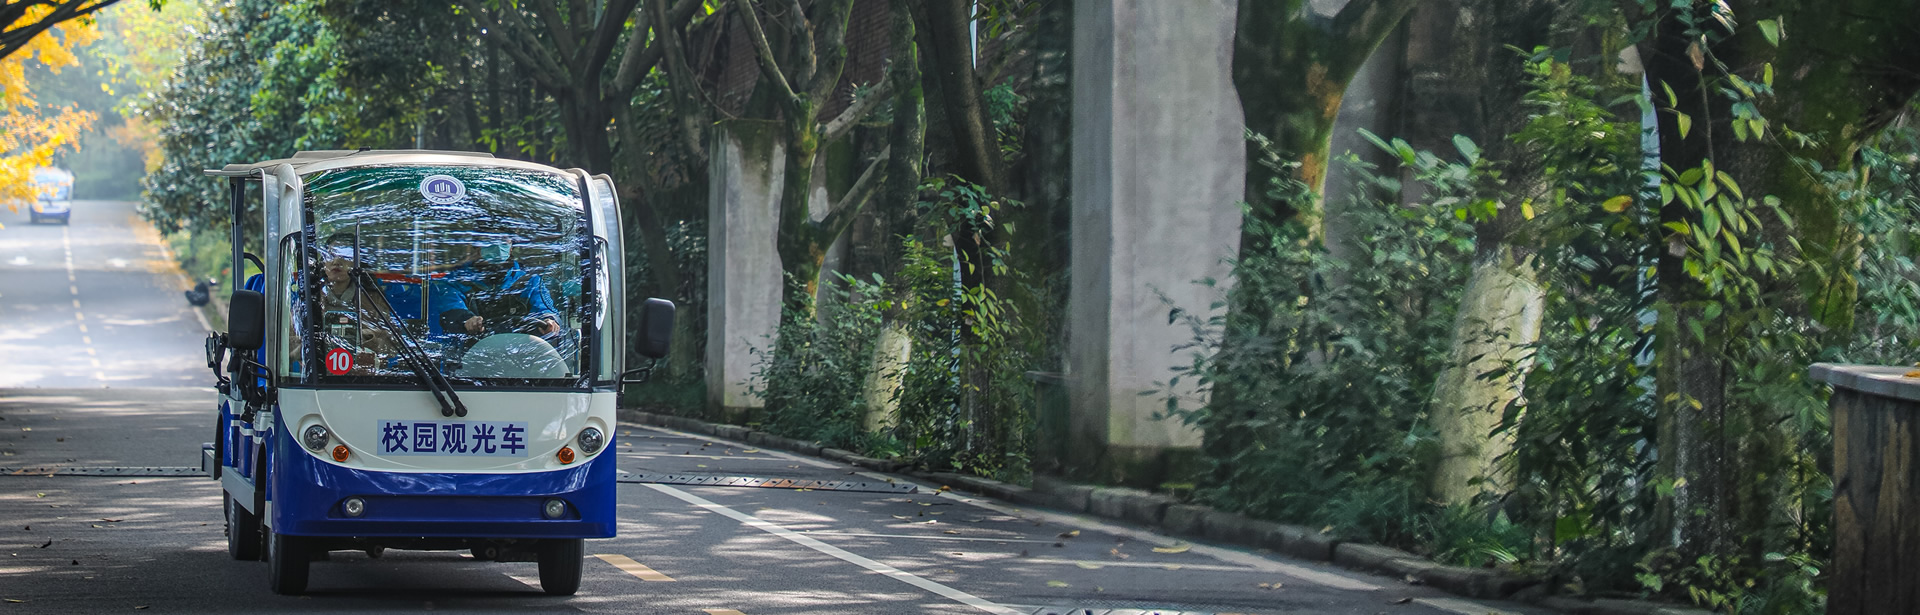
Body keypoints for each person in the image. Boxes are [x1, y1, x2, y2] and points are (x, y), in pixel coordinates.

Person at [436, 240, 562, 340]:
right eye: (490, 240)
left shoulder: (529, 280)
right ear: (477, 246)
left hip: (523, 356)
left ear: (511, 247)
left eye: (503, 241)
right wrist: (467, 320)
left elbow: (545, 309)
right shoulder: (456, 281)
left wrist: (549, 320)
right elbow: (451, 310)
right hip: (469, 356)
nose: (497, 247)